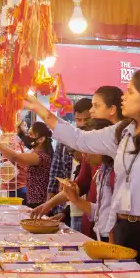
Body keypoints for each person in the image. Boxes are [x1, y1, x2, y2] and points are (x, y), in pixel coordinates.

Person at [24, 69, 140, 278]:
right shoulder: (122, 132)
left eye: (129, 92)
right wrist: (40, 110)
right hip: (123, 230)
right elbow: (79, 138)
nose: (123, 97)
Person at [31, 85, 124, 228]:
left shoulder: (123, 142)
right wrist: (51, 204)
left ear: (112, 109)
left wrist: (37, 107)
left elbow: (77, 138)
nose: (92, 111)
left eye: (96, 106)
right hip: (96, 222)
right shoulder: (98, 152)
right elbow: (82, 184)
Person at [60, 118, 116, 241]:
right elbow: (101, 213)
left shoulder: (117, 172)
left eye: (87, 150)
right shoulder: (103, 171)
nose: (84, 156)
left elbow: (115, 218)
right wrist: (74, 199)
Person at [48, 98, 92, 228]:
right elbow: (55, 172)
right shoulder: (66, 140)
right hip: (70, 206)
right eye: (79, 120)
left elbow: (85, 182)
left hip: (89, 209)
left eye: (87, 119)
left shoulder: (98, 142)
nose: (82, 124)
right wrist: (50, 204)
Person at [0, 121, 54, 208]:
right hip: (33, 201)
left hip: (39, 203)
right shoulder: (34, 152)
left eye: (31, 134)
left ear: (41, 139)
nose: (28, 136)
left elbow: (16, 157)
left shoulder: (42, 157)